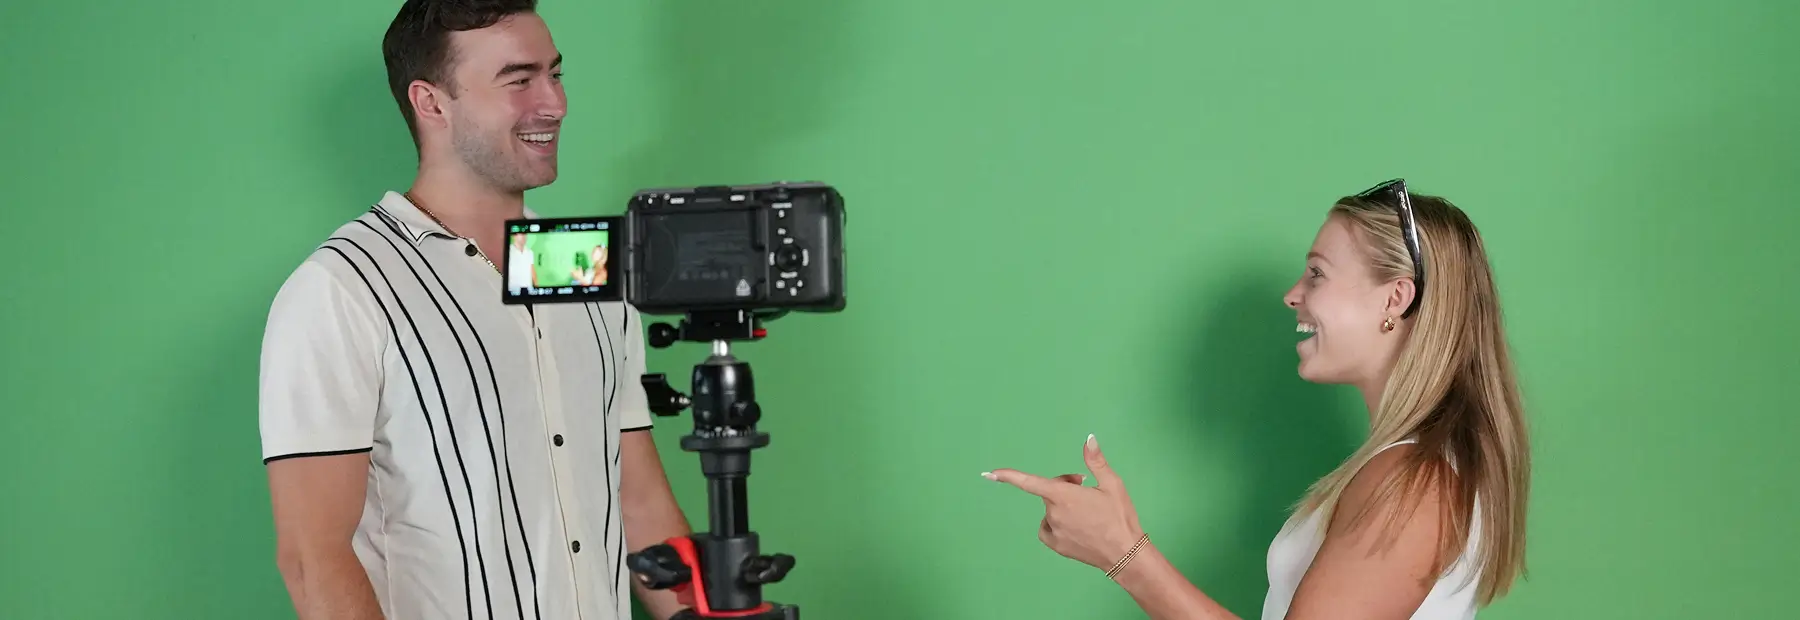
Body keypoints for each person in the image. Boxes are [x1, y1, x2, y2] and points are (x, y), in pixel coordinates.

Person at [257, 1, 692, 618]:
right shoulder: (342, 290)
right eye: (519, 80)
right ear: (431, 103)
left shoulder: (587, 266)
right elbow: (312, 557)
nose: (554, 103)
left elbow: (640, 503)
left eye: (555, 74)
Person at [984, 179, 1532, 619]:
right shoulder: (1416, 469)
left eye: (1317, 273)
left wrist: (1123, 553)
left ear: (1396, 297)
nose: (1293, 295)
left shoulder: (1416, 481)